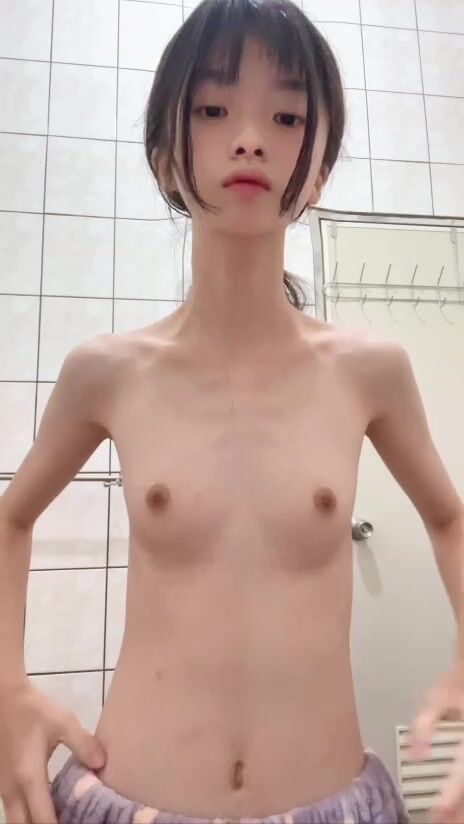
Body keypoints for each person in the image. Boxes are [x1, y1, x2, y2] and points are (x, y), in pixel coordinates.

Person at [1, 0, 464, 821]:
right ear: (164, 161)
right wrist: (6, 686)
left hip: (332, 800)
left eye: (287, 117)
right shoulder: (107, 372)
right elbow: (11, 517)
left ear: (317, 174)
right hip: (133, 796)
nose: (249, 138)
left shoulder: (371, 371)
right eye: (213, 110)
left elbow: (450, 518)